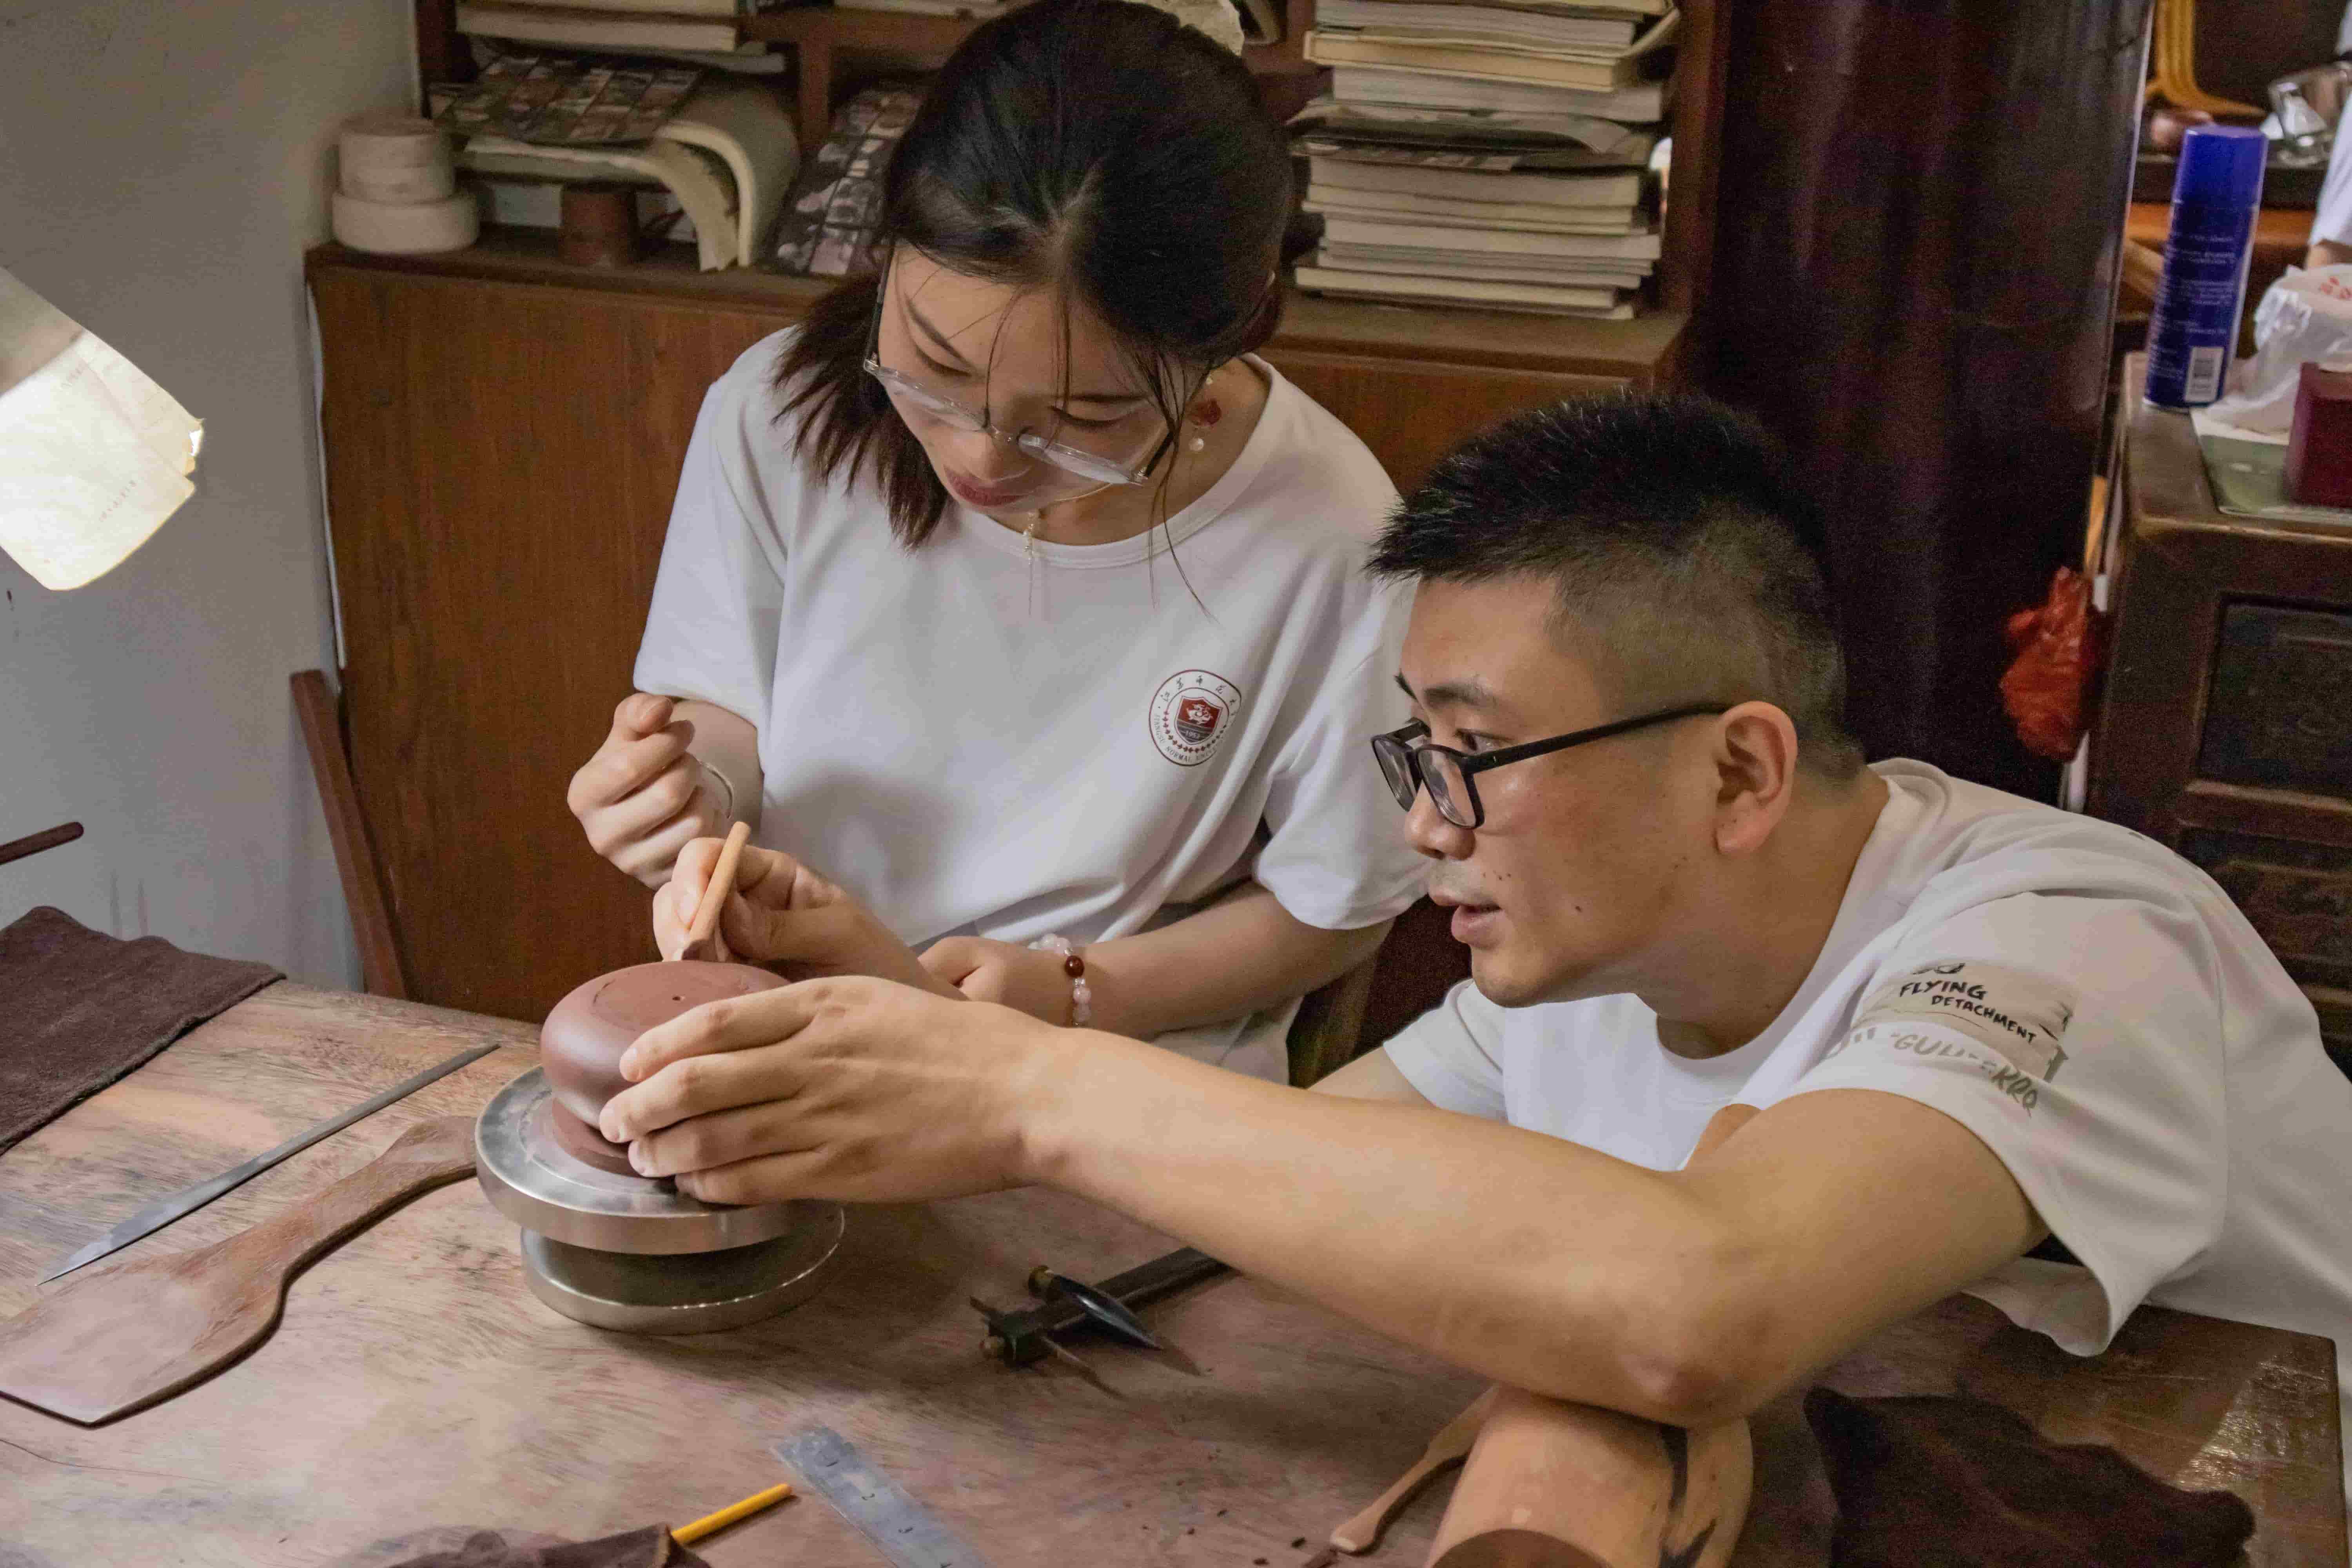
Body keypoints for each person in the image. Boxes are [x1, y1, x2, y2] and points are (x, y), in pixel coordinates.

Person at [593, 392, 2352, 1512]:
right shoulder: (1572, 989)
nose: (1427, 826)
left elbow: (1705, 1304)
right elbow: (1273, 1190)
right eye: (1414, 753)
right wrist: (895, 1000)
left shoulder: (2071, 942)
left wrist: (1031, 1088)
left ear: (1740, 770)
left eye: (1477, 755)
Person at [565, 0, 1423, 1082]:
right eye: (934, 366)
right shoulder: (781, 414)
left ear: (1231, 335)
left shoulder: (1334, 539)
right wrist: (690, 794)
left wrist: (1073, 993)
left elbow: (1336, 906)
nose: (980, 458)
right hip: (795, 1030)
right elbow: (726, 712)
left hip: (1117, 1081)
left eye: (1083, 418)